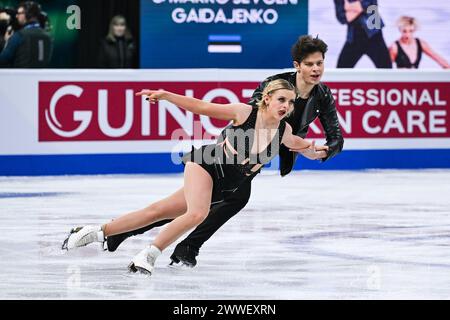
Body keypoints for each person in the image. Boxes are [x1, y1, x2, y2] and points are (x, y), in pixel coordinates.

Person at [102, 35, 345, 268]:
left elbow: (335, 135)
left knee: (199, 205)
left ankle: (150, 238)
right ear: (297, 66)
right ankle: (185, 246)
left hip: (264, 155)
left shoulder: (322, 95)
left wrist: (324, 151)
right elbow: (254, 124)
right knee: (219, 202)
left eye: (320, 63)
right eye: (310, 64)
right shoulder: (276, 86)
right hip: (239, 152)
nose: (316, 69)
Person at [63, 79, 328, 275]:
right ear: (267, 98)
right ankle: (148, 255)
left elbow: (299, 144)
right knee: (196, 214)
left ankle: (93, 232)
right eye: (282, 99)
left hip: (224, 187)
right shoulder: (244, 113)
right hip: (206, 164)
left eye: (291, 102)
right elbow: (202, 107)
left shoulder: (284, 130)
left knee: (157, 212)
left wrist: (315, 153)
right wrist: (166, 95)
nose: (287, 106)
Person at [334, 0, 391, 68]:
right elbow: (342, 18)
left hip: (374, 34)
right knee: (341, 70)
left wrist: (349, 7)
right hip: (354, 36)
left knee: (386, 70)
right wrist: (360, 7)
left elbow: (372, 5)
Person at [0, 1, 52, 67]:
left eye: (19, 13)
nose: (16, 16)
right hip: (39, 76)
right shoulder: (48, 36)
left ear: (28, 14)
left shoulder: (19, 35)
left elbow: (3, 59)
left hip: (19, 76)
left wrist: (6, 42)